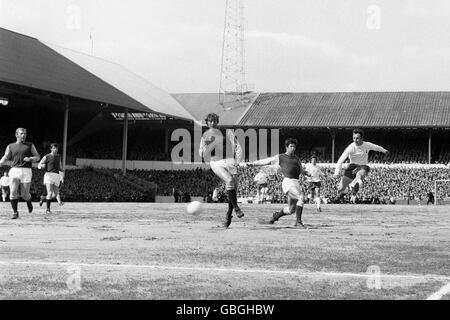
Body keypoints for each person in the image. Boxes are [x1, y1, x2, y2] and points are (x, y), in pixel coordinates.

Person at [245, 138, 308, 228]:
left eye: (294, 146)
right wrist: (254, 164)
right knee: (301, 197)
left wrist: (306, 173)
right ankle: (298, 221)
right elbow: (268, 161)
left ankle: (275, 217)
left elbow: (301, 170)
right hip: (288, 182)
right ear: (286, 147)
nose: (293, 148)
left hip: (296, 183)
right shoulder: (281, 157)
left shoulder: (296, 159)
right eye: (291, 146)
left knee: (291, 210)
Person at [199, 113, 244, 228]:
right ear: (207, 123)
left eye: (214, 121)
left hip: (229, 161)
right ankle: (237, 208)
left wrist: (237, 162)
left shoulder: (227, 132)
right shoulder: (205, 136)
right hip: (216, 162)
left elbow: (237, 147)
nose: (212, 123)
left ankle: (228, 215)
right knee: (229, 180)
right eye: (210, 121)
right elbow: (201, 153)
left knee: (233, 189)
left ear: (217, 121)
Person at [333, 129, 389, 203]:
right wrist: (336, 172)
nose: (355, 140)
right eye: (354, 138)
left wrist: (384, 151)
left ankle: (353, 189)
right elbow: (341, 159)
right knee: (340, 188)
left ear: (362, 138)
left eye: (357, 138)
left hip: (363, 166)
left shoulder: (367, 145)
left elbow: (376, 147)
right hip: (352, 166)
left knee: (359, 175)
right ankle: (347, 189)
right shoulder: (350, 147)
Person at [0, 128, 40, 219]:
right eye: (21, 133)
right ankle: (15, 212)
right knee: (13, 192)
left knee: (24, 195)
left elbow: (37, 157)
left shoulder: (30, 145)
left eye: (25, 133)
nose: (24, 135)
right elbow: (5, 157)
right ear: (16, 135)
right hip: (15, 170)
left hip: (26, 171)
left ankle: (28, 200)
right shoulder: (11, 146)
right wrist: (1, 162)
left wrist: (30, 159)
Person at [37, 143, 64, 214]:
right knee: (50, 192)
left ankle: (43, 198)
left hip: (56, 176)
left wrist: (62, 172)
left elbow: (60, 166)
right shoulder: (47, 156)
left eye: (57, 148)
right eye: (54, 148)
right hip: (49, 175)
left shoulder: (59, 157)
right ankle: (48, 209)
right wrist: (41, 166)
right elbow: (39, 164)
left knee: (55, 193)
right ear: (51, 149)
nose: (56, 149)